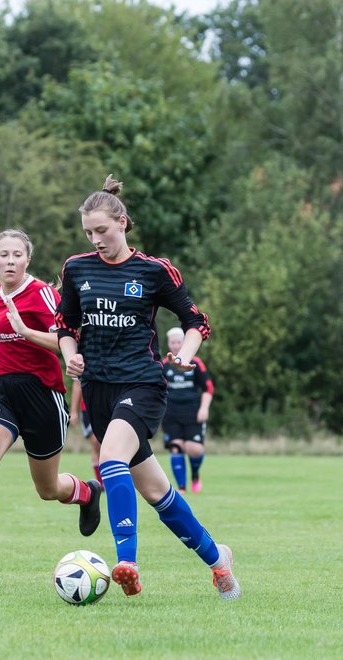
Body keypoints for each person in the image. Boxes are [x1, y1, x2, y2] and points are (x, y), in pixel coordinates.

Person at [55, 175, 239, 600]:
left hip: (142, 383)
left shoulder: (154, 271)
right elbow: (64, 324)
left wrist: (187, 354)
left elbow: (196, 322)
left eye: (102, 230)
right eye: (88, 232)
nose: (95, 239)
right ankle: (218, 560)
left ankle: (127, 562)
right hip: (99, 388)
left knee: (112, 459)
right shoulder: (76, 268)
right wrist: (69, 354)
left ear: (122, 222)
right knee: (156, 491)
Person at [0, 229, 103, 584]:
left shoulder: (41, 294)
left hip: (41, 395)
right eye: (4, 254)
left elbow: (67, 340)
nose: (10, 260)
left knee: (48, 490)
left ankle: (87, 492)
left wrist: (27, 332)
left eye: (17, 254)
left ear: (27, 259)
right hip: (0, 390)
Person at [161, 326, 213, 493]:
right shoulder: (163, 365)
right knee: (176, 447)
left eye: (179, 342)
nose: (176, 345)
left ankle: (195, 475)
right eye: (173, 342)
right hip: (171, 413)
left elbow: (208, 388)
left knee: (194, 449)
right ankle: (182, 488)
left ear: (184, 343)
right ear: (169, 344)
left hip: (192, 412)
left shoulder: (195, 363)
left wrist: (204, 408)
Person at [69, 378, 102, 484]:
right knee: (96, 443)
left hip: (108, 405)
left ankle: (109, 479)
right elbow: (77, 384)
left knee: (108, 445)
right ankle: (101, 482)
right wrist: (74, 411)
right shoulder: (82, 361)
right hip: (88, 408)